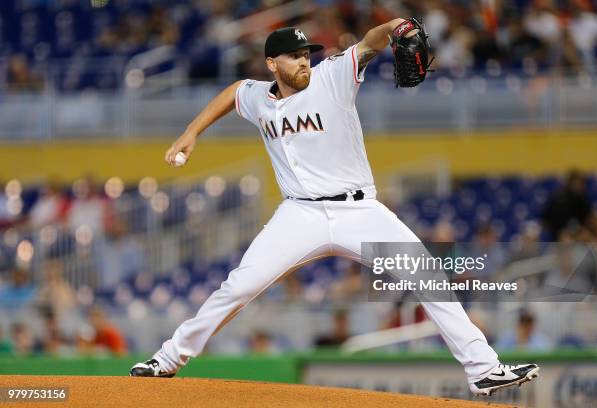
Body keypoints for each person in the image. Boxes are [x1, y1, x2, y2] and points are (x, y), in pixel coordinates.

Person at [131, 22, 539, 396]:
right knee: (237, 287)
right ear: (273, 64)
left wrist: (396, 27)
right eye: (295, 56)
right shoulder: (258, 97)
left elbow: (371, 43)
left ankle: (483, 369)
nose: (304, 60)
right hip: (299, 216)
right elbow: (234, 91)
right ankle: (167, 360)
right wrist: (190, 132)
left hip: (359, 212)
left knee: (430, 276)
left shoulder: (332, 76)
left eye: (307, 53)